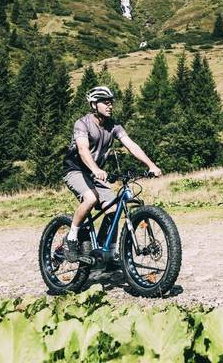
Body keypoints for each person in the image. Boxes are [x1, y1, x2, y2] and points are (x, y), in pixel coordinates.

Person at [62, 86, 162, 262]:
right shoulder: (82, 123)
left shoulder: (114, 126)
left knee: (114, 210)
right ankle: (71, 238)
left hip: (94, 174)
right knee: (91, 198)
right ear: (94, 104)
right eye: (105, 102)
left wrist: (151, 165)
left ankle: (104, 252)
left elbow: (131, 145)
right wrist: (95, 169)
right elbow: (83, 150)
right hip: (76, 170)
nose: (110, 105)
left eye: (111, 102)